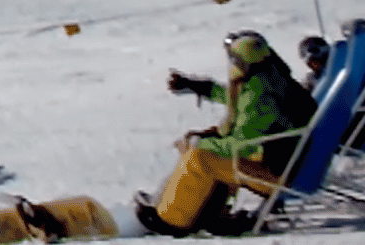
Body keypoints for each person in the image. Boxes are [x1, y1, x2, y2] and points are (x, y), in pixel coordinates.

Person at [136, 30, 318, 236]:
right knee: (210, 145)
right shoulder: (269, 78)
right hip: (283, 163)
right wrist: (201, 87)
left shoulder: (261, 97)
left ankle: (171, 220)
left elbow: (240, 144)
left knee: (200, 156)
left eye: (234, 60)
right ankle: (212, 214)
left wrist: (198, 143)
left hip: (275, 176)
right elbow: (240, 99)